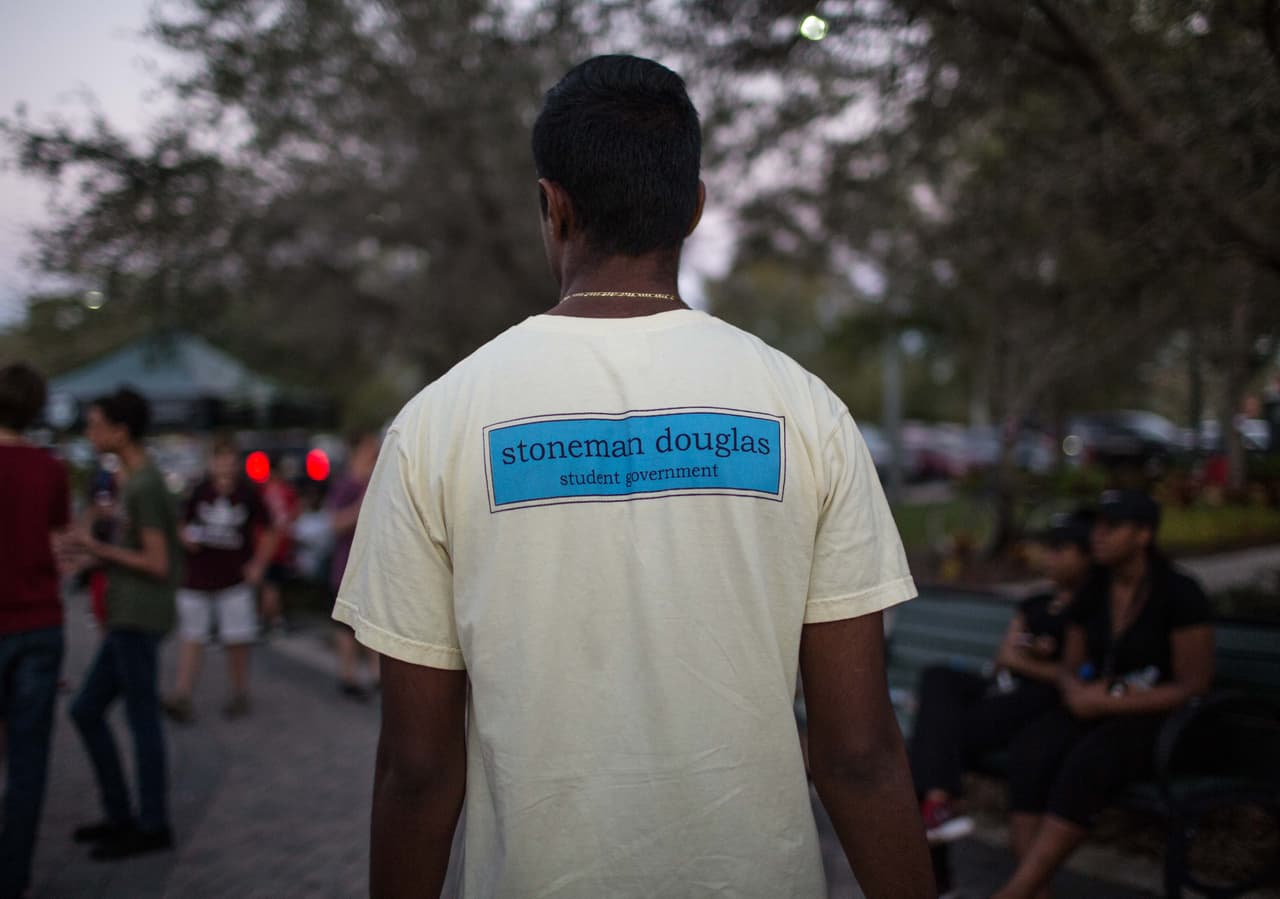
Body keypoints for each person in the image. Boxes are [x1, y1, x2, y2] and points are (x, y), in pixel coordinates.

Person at [334, 55, 934, 898]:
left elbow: (420, 768)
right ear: (694, 206)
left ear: (554, 203)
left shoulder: (436, 425)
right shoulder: (807, 414)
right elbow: (859, 754)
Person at [993, 490, 1215, 899]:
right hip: (1097, 709)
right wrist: (1077, 689)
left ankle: (1015, 893)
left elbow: (1193, 685)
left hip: (1164, 723)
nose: (1098, 536)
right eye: (1096, 526)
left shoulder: (1179, 592)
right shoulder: (1094, 592)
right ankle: (1036, 893)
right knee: (1031, 750)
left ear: (1143, 535)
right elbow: (1071, 668)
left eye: (1112, 527)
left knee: (1089, 761)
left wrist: (1109, 701)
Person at [908, 509, 1096, 847]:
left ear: (1087, 556)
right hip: (1003, 690)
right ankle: (936, 807)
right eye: (1049, 548)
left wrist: (1026, 662)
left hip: (1038, 704)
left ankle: (936, 804)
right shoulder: (1037, 601)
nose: (1049, 557)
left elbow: (1073, 675)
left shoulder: (1091, 610)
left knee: (934, 732)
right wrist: (1031, 659)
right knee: (937, 678)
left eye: (1060, 549)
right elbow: (1003, 658)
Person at [67, 387, 182, 860]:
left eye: (96, 424)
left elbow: (156, 562)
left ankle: (150, 823)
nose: (90, 433)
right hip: (126, 613)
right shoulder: (133, 481)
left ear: (120, 430)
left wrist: (97, 551)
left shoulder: (145, 483)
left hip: (138, 613)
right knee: (86, 710)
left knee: (140, 721)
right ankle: (123, 815)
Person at [0, 363, 70, 899]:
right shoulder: (50, 469)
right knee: (28, 763)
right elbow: (59, 547)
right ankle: (14, 878)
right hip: (40, 622)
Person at [163, 436, 279, 722]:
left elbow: (272, 529)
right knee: (192, 637)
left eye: (229, 459)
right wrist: (185, 538)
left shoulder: (248, 494)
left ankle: (239, 692)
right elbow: (178, 521)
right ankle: (183, 693)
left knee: (237, 638)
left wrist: (258, 564)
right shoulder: (198, 490)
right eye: (219, 458)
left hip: (234, 578)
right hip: (198, 576)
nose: (224, 465)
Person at [328, 432, 381, 700]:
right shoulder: (346, 485)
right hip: (347, 565)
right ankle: (348, 675)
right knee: (347, 625)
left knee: (374, 620)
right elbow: (335, 523)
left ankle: (375, 675)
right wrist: (362, 506)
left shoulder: (378, 481)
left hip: (375, 567)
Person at [259, 455, 301, 632]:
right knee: (272, 585)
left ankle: (268, 619)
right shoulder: (286, 491)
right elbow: (296, 513)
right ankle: (273, 619)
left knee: (270, 585)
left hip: (267, 545)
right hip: (281, 545)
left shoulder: (263, 491)